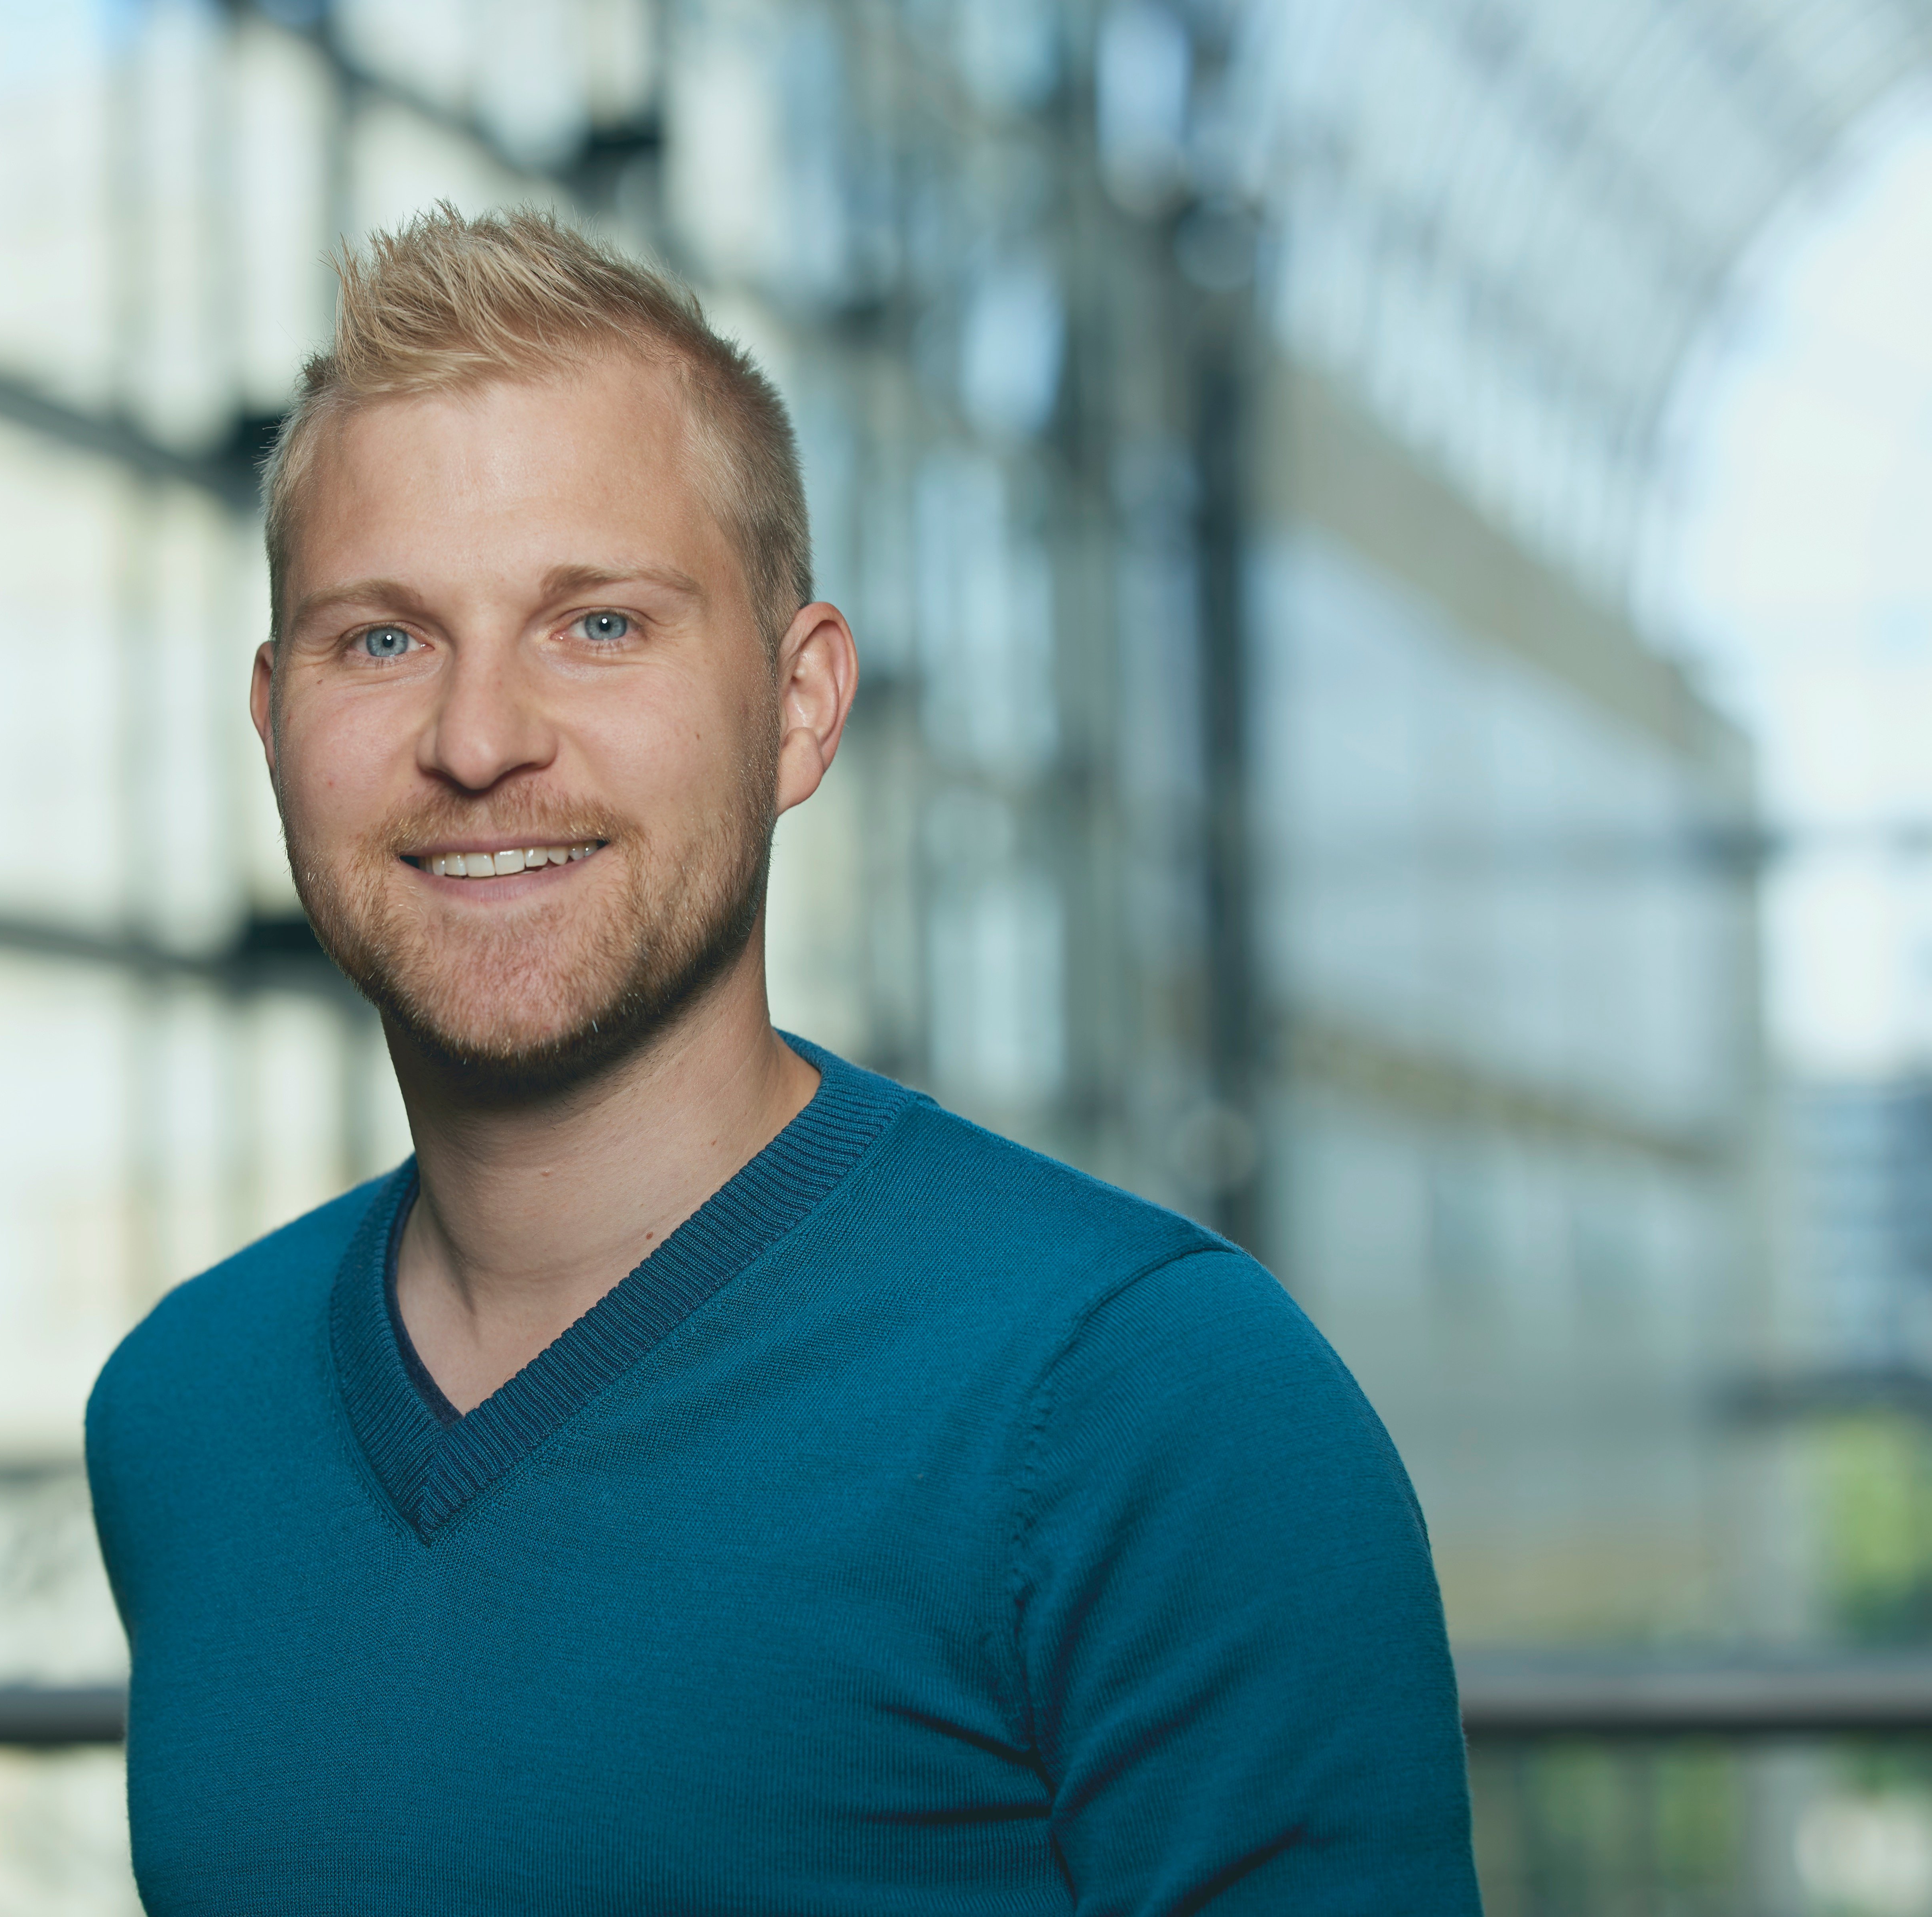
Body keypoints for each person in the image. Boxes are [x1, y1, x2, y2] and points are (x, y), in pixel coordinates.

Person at [85, 205, 1479, 1914]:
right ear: (274, 720)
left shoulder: (1149, 1402)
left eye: (595, 622)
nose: (475, 738)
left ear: (801, 704)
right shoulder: (183, 1409)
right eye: (381, 638)